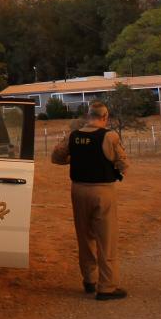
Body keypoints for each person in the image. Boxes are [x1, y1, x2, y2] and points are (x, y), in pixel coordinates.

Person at [52, 100, 129, 300]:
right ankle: (107, 286)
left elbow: (56, 157)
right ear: (105, 117)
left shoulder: (73, 136)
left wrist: (75, 160)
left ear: (88, 116)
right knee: (106, 239)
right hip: (102, 190)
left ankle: (89, 279)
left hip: (78, 190)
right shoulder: (109, 136)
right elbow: (123, 164)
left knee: (85, 236)